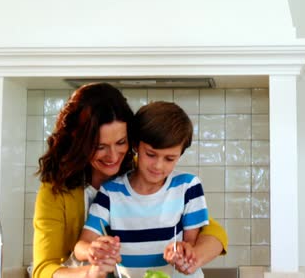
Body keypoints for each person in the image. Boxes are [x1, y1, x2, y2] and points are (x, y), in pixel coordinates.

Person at [33, 83, 227, 278]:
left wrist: (191, 257)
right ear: (80, 143)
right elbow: (43, 269)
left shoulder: (146, 173)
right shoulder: (57, 191)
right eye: (100, 146)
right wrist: (90, 273)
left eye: (120, 142)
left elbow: (211, 231)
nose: (113, 156)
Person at [74, 101, 208, 277]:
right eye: (151, 154)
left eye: (170, 158)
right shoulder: (111, 192)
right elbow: (81, 246)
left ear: (180, 154)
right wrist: (92, 250)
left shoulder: (188, 187)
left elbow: (192, 245)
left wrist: (183, 252)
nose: (158, 166)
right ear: (136, 145)